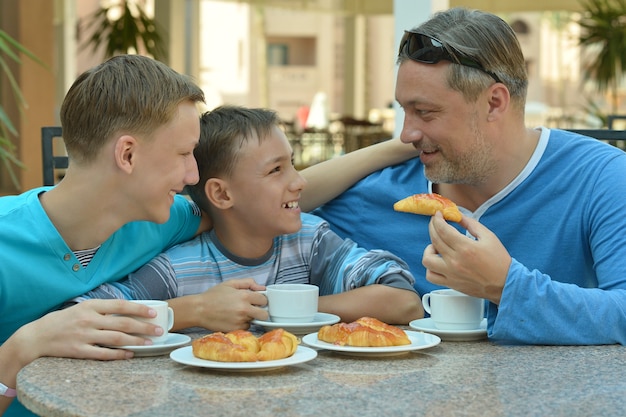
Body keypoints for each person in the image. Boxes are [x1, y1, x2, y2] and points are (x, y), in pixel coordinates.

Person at [0, 56, 418, 416]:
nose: (192, 176)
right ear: (127, 155)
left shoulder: (164, 216)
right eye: (183, 154)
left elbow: (262, 201)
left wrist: (397, 148)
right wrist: (19, 349)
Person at [313, 7, 626, 346]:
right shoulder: (375, 193)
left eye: (425, 112)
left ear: (494, 102)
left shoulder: (602, 178)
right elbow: (263, 213)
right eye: (405, 110)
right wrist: (386, 151)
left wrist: (504, 286)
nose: (407, 133)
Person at [74, 106, 423, 329]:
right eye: (276, 171)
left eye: (292, 164)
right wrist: (190, 311)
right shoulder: (180, 270)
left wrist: (281, 307)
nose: (299, 182)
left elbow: (403, 300)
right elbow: (80, 316)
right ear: (222, 195)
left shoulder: (308, 241)